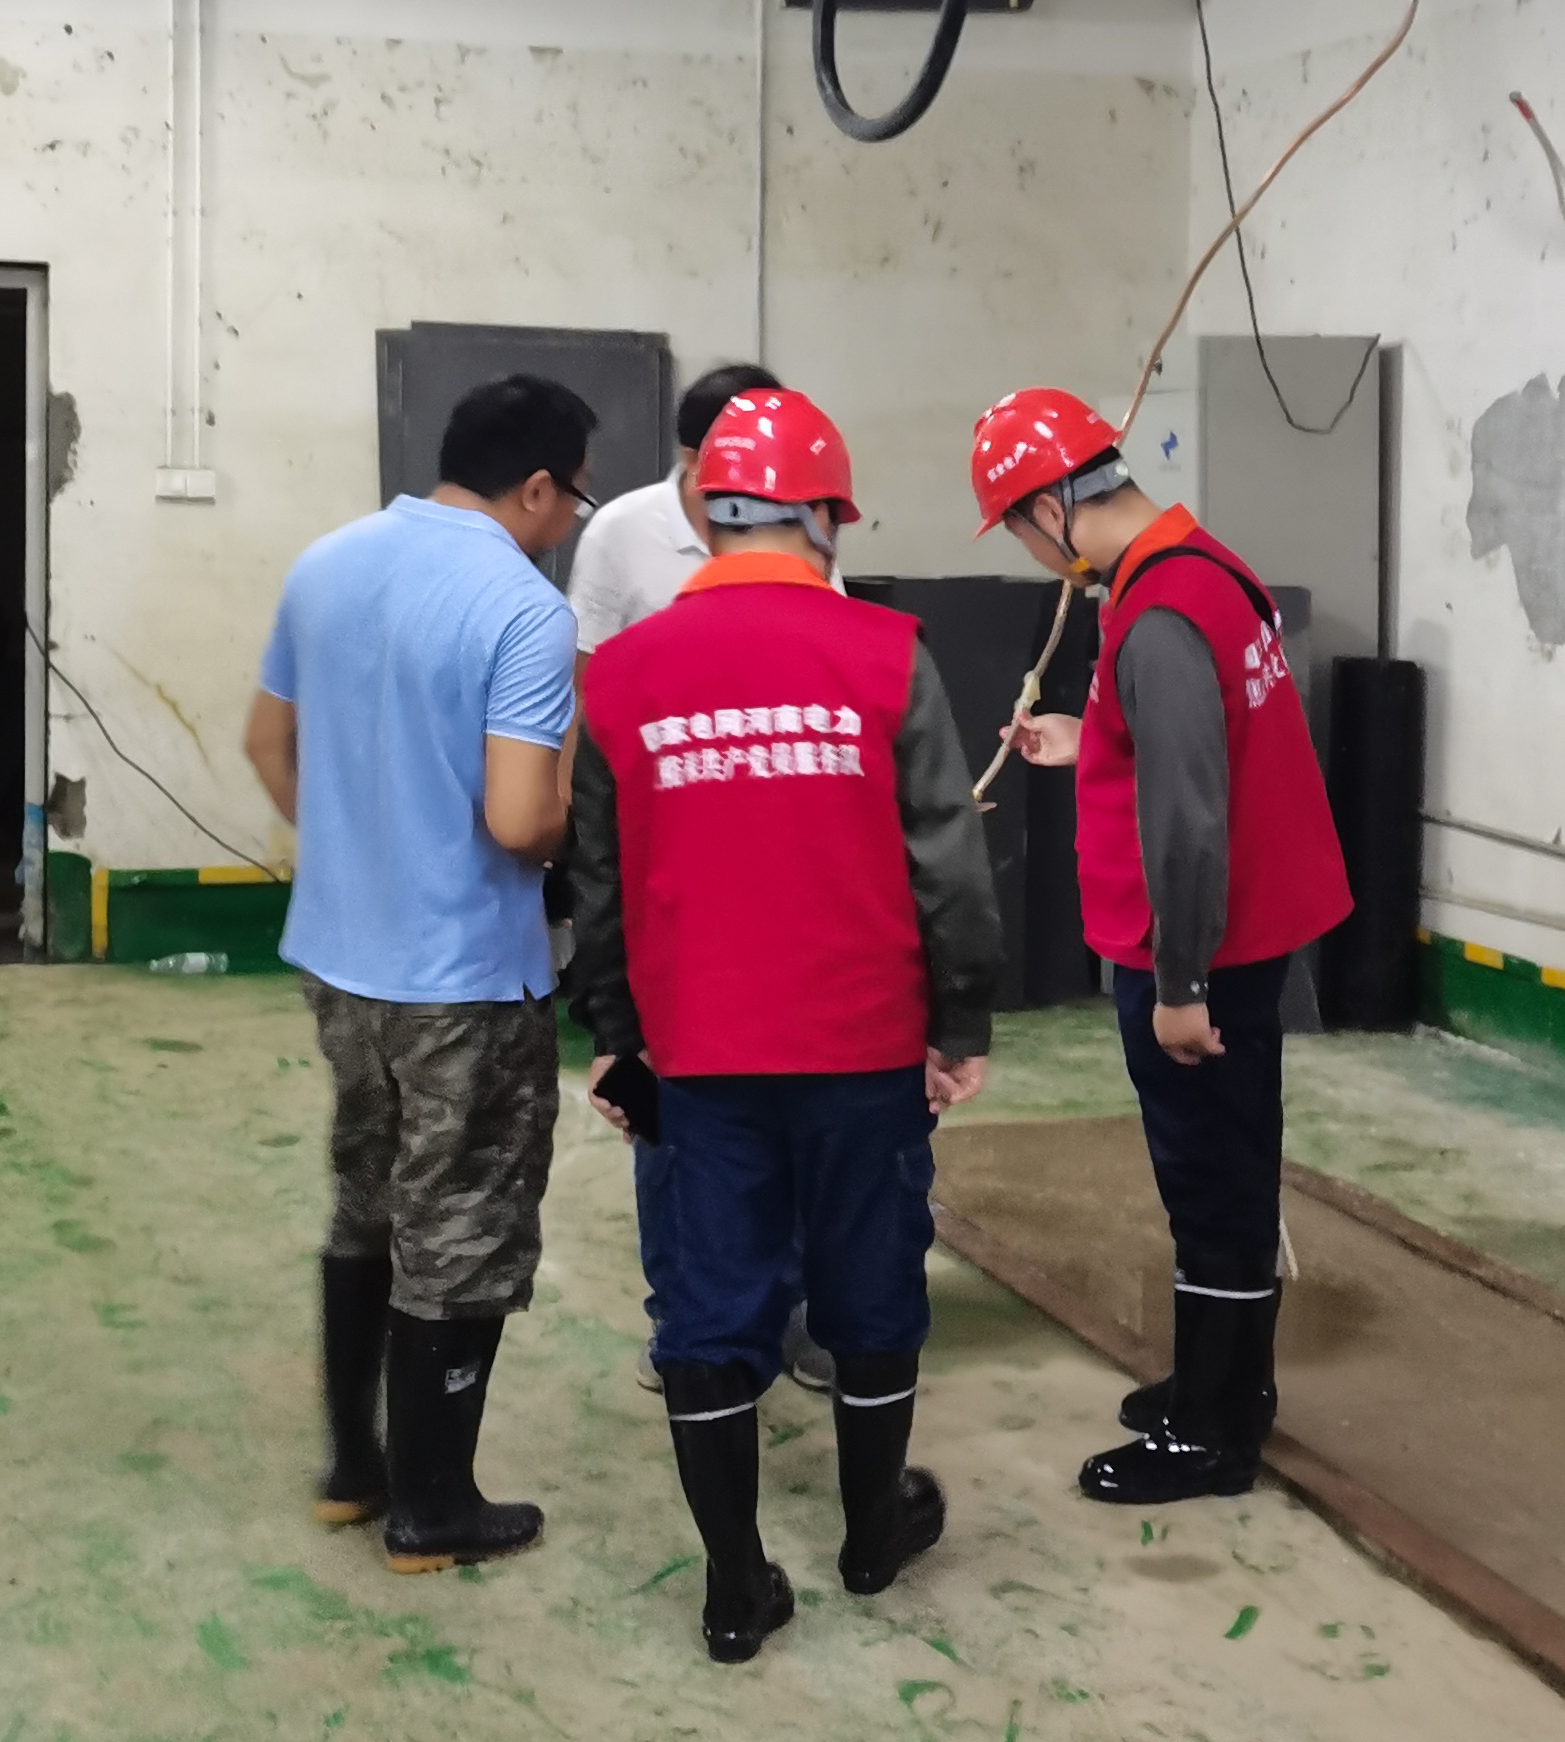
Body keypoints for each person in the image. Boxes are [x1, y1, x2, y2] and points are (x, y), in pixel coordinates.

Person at [571, 389, 1002, 1662]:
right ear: (825, 517)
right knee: (871, 1284)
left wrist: (615, 1033)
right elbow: (948, 863)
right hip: (862, 1045)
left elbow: (599, 875)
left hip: (696, 1056)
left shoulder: (625, 673)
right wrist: (959, 1019)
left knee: (706, 1310)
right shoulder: (886, 654)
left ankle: (735, 1585)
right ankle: (872, 1532)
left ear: (707, 515)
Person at [970, 387, 1352, 1508]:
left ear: (1052, 507)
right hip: (1238, 937)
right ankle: (1221, 1382)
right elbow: (1193, 742)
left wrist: (1182, 984)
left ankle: (1212, 1434)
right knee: (1225, 1170)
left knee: (1210, 1183)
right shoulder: (1201, 569)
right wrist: (1088, 735)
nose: (1032, 554)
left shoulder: (1158, 615)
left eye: (1020, 529)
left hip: (1198, 956)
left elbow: (1188, 818)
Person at [243, 374, 595, 1574]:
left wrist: (360, 851)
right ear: (537, 486)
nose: (569, 522)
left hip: (342, 960)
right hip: (465, 975)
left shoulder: (326, 563)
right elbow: (517, 819)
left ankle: (356, 1467)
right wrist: (582, 823)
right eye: (572, 499)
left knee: (368, 1198)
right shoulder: (524, 607)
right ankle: (434, 1506)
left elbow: (268, 741)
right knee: (462, 1226)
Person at [566, 362, 838, 1397]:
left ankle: (799, 1310)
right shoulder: (621, 534)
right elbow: (592, 693)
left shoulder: (801, 527)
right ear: (692, 458)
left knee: (801, 1087)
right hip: (667, 858)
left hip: (785, 859)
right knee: (668, 1100)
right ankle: (684, 1313)